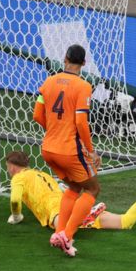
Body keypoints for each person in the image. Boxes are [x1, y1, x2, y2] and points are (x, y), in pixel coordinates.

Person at [5, 151, 136, 231]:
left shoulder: (18, 178)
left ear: (12, 167)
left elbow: (14, 200)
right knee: (124, 222)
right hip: (74, 204)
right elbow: (62, 188)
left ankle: (82, 217)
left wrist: (16, 216)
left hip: (59, 210)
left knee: (59, 230)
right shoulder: (41, 173)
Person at [33, 44, 101, 257]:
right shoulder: (83, 86)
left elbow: (37, 115)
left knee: (73, 187)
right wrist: (91, 151)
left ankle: (59, 232)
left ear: (64, 58)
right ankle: (67, 235)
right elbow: (81, 122)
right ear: (84, 63)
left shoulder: (48, 82)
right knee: (92, 190)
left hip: (48, 149)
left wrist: (54, 130)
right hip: (70, 150)